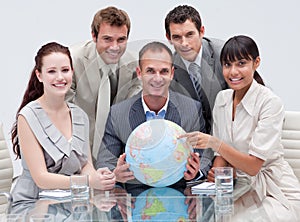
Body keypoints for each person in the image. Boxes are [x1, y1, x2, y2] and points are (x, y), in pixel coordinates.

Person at [180, 35, 300, 221]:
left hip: (274, 191)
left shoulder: (270, 103)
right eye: (227, 65)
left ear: (256, 63)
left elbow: (253, 166)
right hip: (237, 186)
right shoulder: (222, 99)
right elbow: (221, 157)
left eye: (241, 63)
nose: (233, 72)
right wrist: (217, 175)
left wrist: (214, 143)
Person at [96, 41, 214, 194]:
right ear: (139, 73)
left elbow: (205, 156)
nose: (157, 78)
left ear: (172, 73)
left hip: (179, 197)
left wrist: (196, 172)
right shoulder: (118, 113)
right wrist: (115, 174)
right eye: (150, 71)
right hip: (133, 198)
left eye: (164, 71)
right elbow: (105, 162)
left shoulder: (191, 109)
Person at [10, 42, 115, 205]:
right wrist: (87, 181)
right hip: (32, 204)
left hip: (71, 202)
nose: (60, 77)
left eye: (65, 70)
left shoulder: (80, 115)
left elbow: (85, 165)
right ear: (39, 75)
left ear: (72, 73)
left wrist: (99, 177)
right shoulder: (27, 116)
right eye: (52, 71)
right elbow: (42, 179)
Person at [66, 6, 142, 163]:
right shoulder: (71, 60)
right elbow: (60, 114)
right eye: (107, 39)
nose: (115, 47)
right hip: (74, 154)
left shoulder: (135, 65)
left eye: (121, 40)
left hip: (115, 159)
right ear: (94, 36)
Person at [165, 5, 228, 133]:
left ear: (201, 31)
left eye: (190, 35)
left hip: (230, 136)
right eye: (177, 37)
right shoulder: (167, 68)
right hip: (192, 140)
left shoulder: (224, 54)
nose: (184, 43)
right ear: (168, 38)